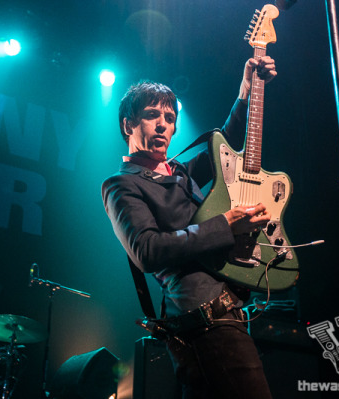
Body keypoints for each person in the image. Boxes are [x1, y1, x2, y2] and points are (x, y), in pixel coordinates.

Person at [101, 56, 277, 399]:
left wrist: (248, 89)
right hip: (201, 317)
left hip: (226, 313)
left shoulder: (180, 172)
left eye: (170, 117)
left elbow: (226, 143)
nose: (163, 125)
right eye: (152, 116)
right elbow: (147, 251)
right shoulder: (121, 185)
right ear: (128, 125)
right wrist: (223, 225)